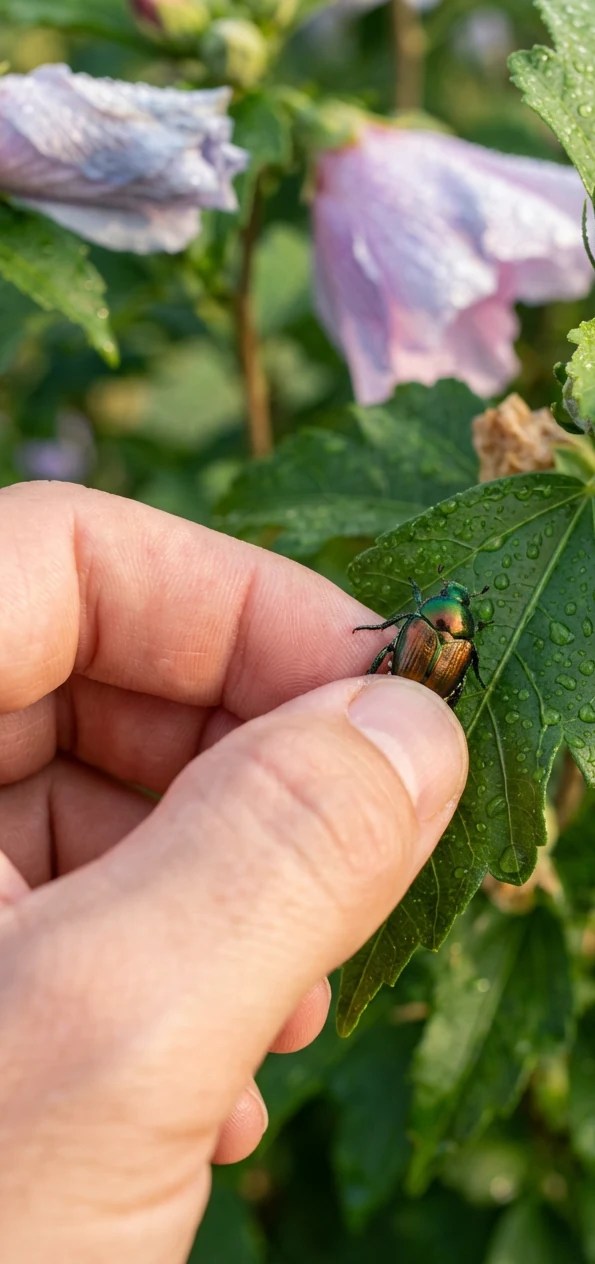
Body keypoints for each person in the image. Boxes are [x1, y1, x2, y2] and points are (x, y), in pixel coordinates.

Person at [0, 481, 468, 1262]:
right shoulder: (455, 648)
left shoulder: (420, 632)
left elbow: (391, 638)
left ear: (440, 623)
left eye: (441, 616)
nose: (439, 620)